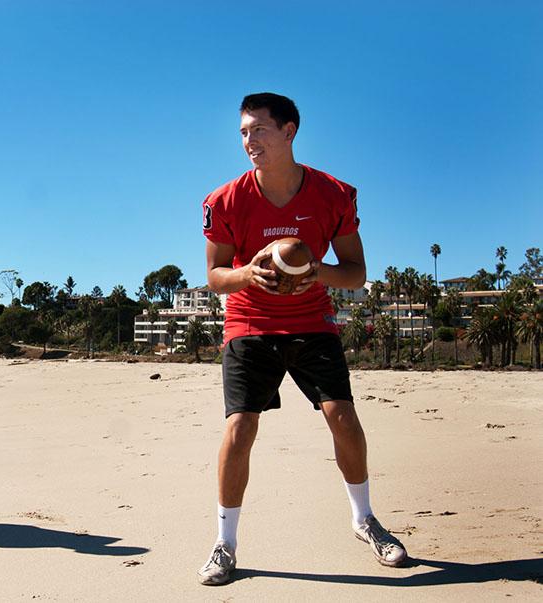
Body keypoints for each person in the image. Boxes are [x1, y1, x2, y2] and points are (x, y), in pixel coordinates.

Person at [197, 93, 406, 585]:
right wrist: (248, 273)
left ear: (290, 131)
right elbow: (213, 276)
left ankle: (365, 519)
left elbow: (355, 274)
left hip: (313, 322)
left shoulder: (333, 194)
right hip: (250, 323)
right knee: (240, 429)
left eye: (260, 130)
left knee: (344, 418)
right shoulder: (224, 200)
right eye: (244, 132)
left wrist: (319, 274)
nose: (250, 141)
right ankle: (225, 544)